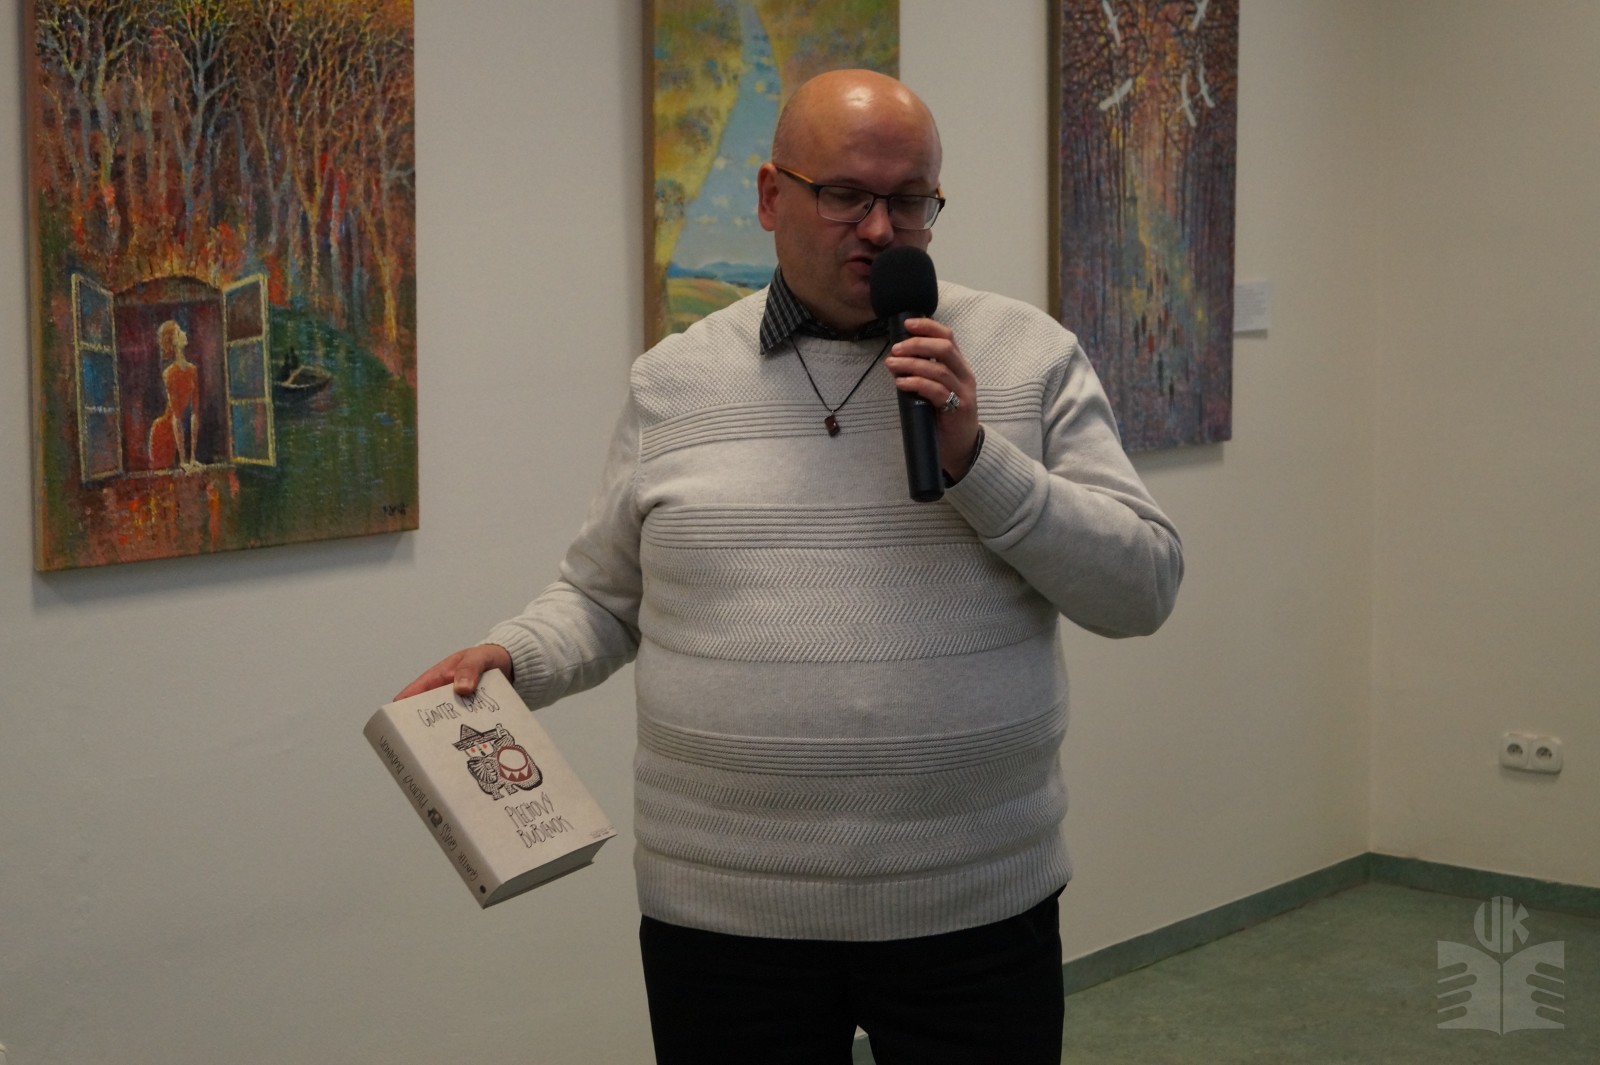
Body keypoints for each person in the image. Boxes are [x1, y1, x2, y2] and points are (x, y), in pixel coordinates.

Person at [399, 69, 1183, 1065]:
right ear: (772, 196)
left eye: (910, 200)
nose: (880, 229)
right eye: (845, 195)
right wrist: (514, 658)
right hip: (724, 918)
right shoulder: (675, 379)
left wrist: (978, 461)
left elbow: (1141, 587)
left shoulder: (1029, 357)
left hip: (972, 902)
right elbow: (604, 595)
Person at [148, 320, 201, 473]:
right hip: (164, 431)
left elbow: (195, 414)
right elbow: (176, 417)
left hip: (178, 428)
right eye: (179, 332)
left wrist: (192, 458)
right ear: (174, 343)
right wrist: (183, 461)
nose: (184, 333)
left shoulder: (192, 370)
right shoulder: (170, 374)